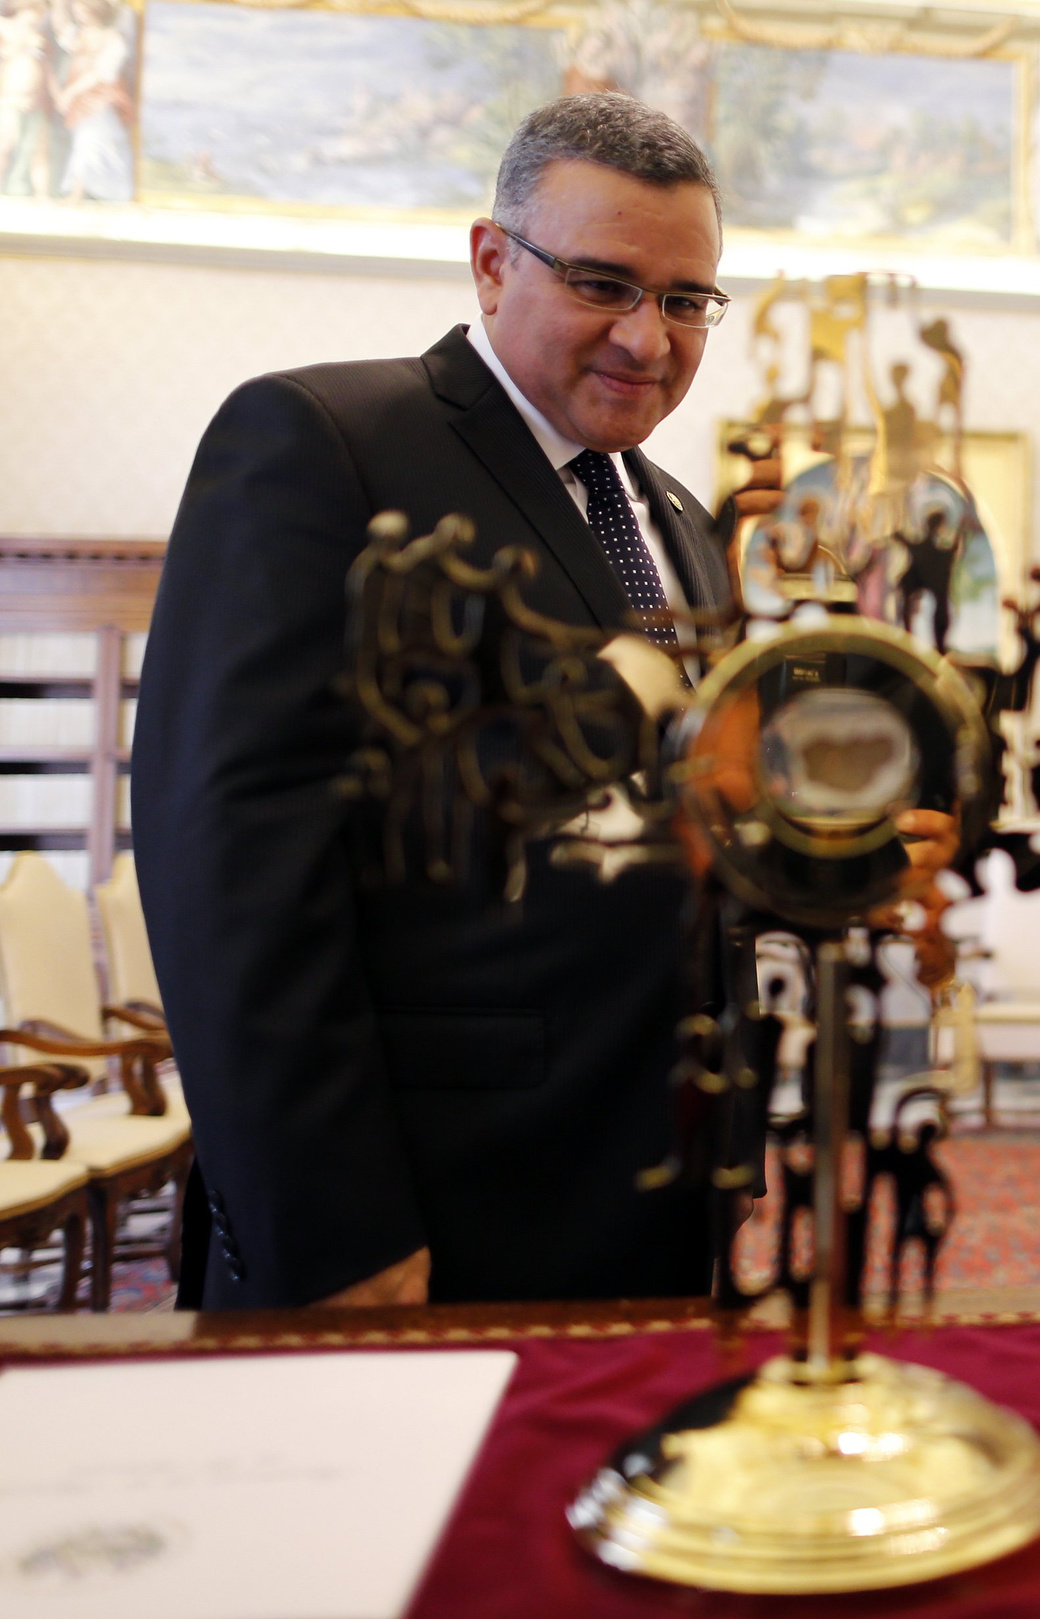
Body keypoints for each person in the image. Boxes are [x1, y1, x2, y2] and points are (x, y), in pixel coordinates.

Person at [136, 94, 736, 1308]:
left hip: (651, 1193)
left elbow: (667, 832)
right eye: (603, 283)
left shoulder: (680, 521)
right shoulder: (324, 442)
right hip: (420, 1210)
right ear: (490, 261)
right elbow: (232, 863)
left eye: (684, 301)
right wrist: (332, 1229)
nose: (647, 338)